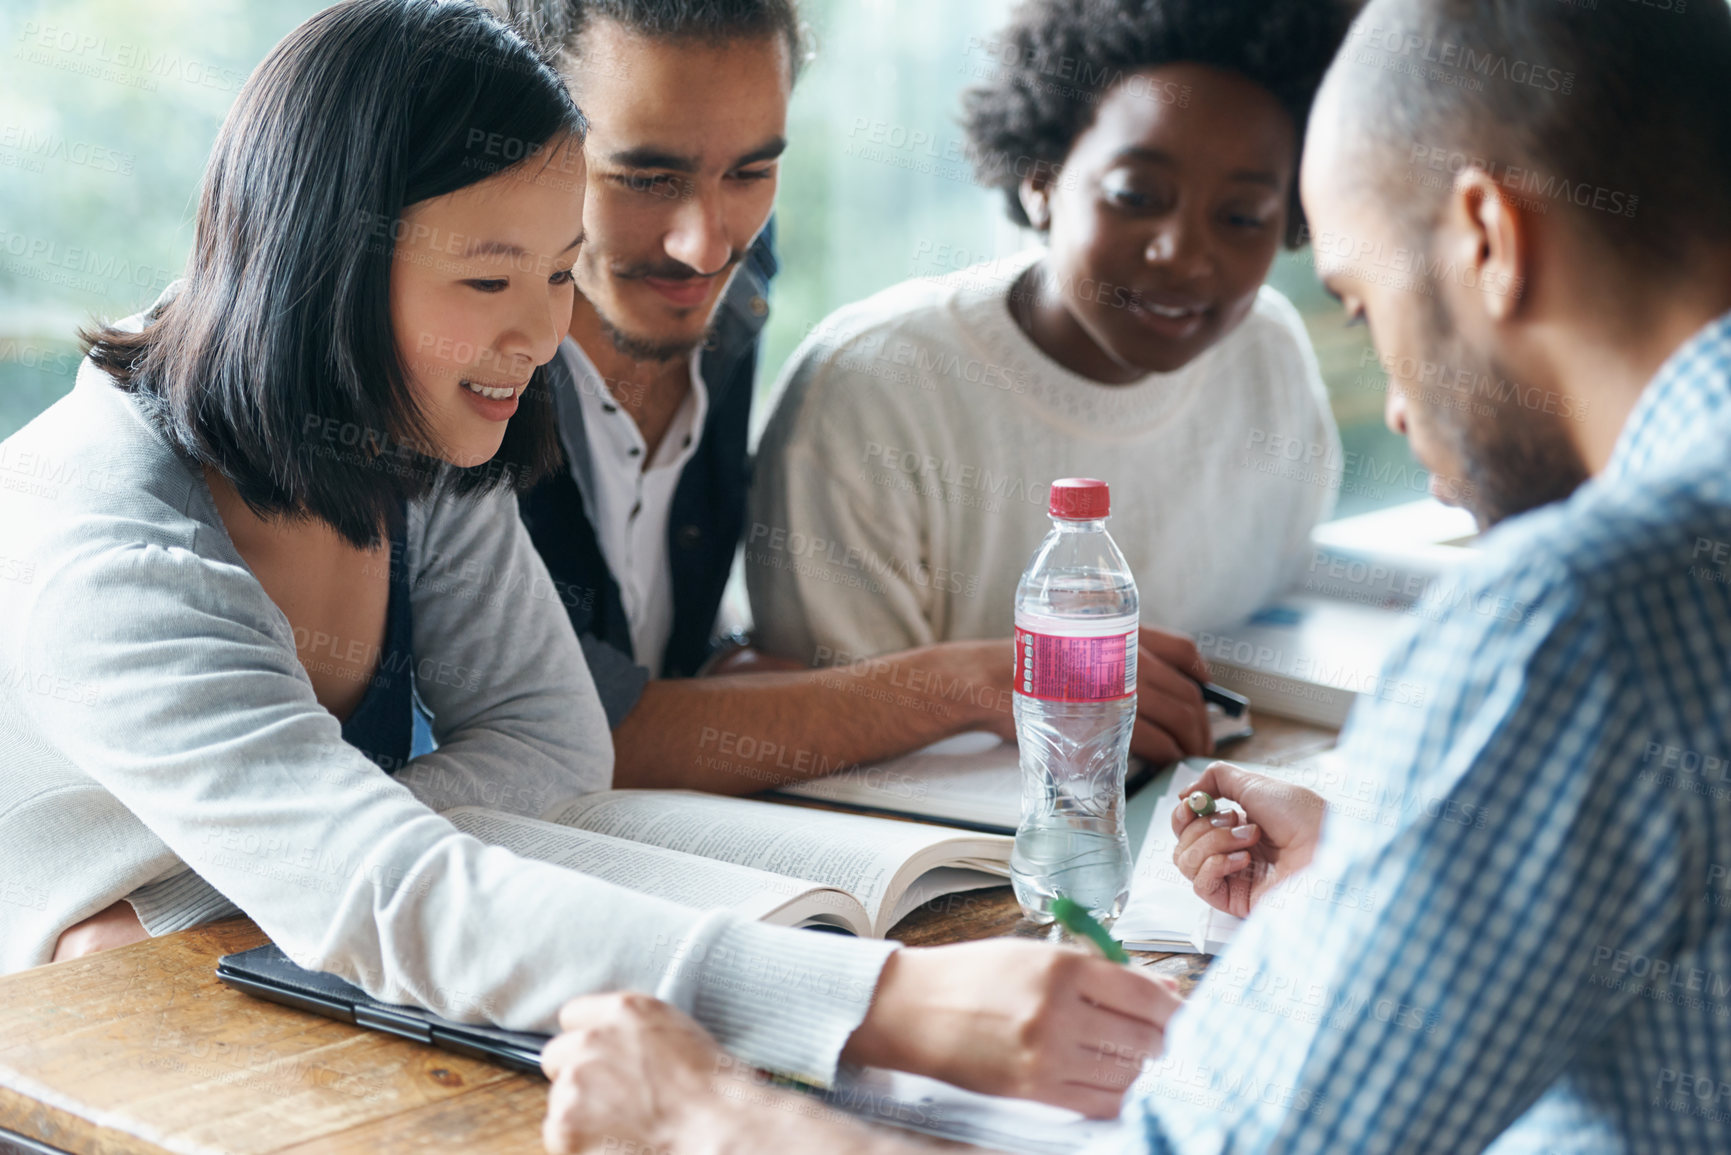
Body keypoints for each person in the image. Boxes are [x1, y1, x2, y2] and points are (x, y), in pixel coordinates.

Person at [535, 0, 1731, 1150]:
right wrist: (1383, 861)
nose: (1399, 405)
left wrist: (713, 1122)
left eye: (1363, 308)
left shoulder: (1575, 616)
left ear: (1489, 242)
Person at [1, 0, 1181, 1109]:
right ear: (327, 272)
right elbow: (390, 891)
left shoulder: (413, 420)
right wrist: (888, 1004)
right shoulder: (112, 546)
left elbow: (552, 743)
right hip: (80, 1069)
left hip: (227, 994)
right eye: (486, 279)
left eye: (561, 271)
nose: (542, 334)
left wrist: (279, 867)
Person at [488, 0, 1223, 781]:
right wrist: (981, 680)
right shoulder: (468, 351)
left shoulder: (732, 277)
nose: (704, 244)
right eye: (642, 177)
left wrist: (728, 673)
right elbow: (564, 723)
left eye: (752, 171)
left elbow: (638, 635)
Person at [745, 0, 1354, 767]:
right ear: (1040, 178)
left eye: (1242, 215)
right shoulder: (876, 386)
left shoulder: (1267, 352)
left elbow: (1275, 619)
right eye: (1135, 196)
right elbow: (832, 732)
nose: (1184, 254)